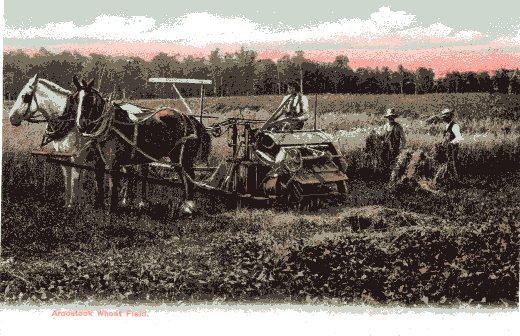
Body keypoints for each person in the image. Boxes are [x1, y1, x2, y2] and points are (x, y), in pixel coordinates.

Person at [432, 108, 463, 188]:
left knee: (449, 164)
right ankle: (454, 181)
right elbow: (446, 138)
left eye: (445, 117)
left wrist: (450, 143)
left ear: (449, 117)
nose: (444, 119)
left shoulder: (455, 126)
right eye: (444, 117)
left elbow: (459, 137)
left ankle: (438, 181)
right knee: (449, 165)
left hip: (452, 149)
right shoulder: (447, 126)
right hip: (446, 148)